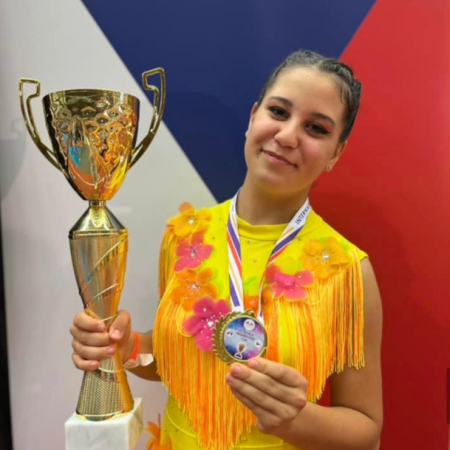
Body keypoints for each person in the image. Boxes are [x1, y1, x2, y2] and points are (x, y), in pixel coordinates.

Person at [70, 50, 383, 450]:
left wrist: (298, 419)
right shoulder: (185, 235)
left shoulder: (347, 270)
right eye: (278, 111)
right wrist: (123, 345)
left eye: (316, 128)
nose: (288, 136)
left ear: (336, 152)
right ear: (253, 117)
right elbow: (175, 362)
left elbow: (366, 429)